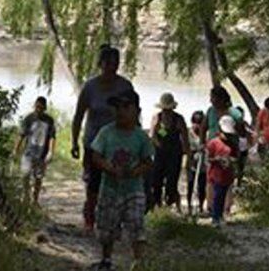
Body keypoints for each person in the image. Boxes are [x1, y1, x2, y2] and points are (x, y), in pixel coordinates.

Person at [71, 44, 135, 231]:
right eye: (108, 63)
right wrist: (75, 141)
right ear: (100, 64)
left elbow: (133, 113)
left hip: (118, 142)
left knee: (117, 181)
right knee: (93, 183)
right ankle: (90, 219)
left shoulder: (124, 86)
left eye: (115, 64)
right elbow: (79, 115)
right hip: (93, 142)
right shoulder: (90, 87)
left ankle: (113, 219)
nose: (111, 67)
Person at [90, 90, 153, 270]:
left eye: (126, 106)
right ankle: (107, 259)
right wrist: (109, 167)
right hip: (109, 189)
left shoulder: (140, 136)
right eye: (117, 107)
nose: (120, 111)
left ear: (136, 110)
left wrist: (135, 171)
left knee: (136, 224)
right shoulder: (106, 132)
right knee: (107, 228)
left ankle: (139, 262)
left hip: (134, 190)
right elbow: (96, 155)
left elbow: (148, 162)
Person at [201, 86, 243, 213]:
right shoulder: (210, 111)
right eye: (211, 98)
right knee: (211, 177)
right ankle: (211, 206)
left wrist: (237, 148)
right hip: (213, 148)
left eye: (213, 98)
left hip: (229, 149)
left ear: (222, 98)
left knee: (227, 178)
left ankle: (226, 207)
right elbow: (204, 128)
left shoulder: (235, 113)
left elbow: (241, 132)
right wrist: (202, 143)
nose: (211, 101)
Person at [149, 93, 190, 212]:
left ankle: (172, 205)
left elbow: (185, 139)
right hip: (160, 153)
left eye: (168, 109)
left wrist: (188, 156)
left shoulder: (178, 119)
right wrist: (157, 143)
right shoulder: (157, 117)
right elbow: (152, 135)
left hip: (174, 154)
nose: (166, 111)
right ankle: (157, 205)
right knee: (156, 181)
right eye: (164, 109)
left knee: (172, 181)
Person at [15, 96, 56, 204]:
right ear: (34, 106)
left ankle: (35, 200)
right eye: (37, 107)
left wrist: (51, 152)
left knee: (38, 178)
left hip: (42, 154)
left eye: (41, 108)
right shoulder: (29, 118)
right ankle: (26, 196)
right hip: (28, 153)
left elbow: (52, 137)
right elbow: (21, 135)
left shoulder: (49, 120)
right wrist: (16, 150)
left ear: (45, 108)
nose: (38, 110)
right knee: (25, 175)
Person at [206, 115, 239, 228]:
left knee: (223, 195)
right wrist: (218, 159)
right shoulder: (213, 143)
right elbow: (208, 159)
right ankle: (215, 217)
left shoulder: (233, 144)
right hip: (216, 175)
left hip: (227, 175)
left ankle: (220, 215)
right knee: (217, 196)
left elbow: (236, 157)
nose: (227, 136)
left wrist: (230, 160)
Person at [186, 111, 207, 214]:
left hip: (203, 164)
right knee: (190, 184)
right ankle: (189, 206)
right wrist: (194, 151)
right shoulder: (188, 133)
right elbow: (185, 147)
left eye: (199, 123)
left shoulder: (205, 134)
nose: (197, 126)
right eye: (195, 122)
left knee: (202, 186)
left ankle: (201, 206)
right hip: (191, 163)